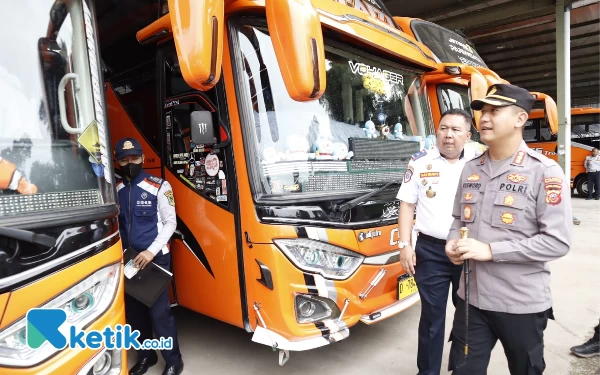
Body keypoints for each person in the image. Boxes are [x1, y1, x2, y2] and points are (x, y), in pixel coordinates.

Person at [445, 84, 573, 375]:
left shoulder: (544, 171)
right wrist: (453, 241)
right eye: (482, 111)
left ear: (519, 119)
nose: (484, 118)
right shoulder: (471, 168)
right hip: (471, 299)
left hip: (520, 303)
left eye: (494, 111)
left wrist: (491, 251)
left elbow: (557, 242)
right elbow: (457, 220)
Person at [396, 108, 481, 375]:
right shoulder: (420, 162)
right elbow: (407, 205)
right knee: (432, 318)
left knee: (468, 316)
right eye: (443, 128)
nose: (448, 135)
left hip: (467, 250)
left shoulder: (480, 161)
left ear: (467, 135)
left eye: (456, 130)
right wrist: (405, 245)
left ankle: (461, 369)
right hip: (430, 251)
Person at [115, 137, 184, 375]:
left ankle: (174, 361)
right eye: (124, 159)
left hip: (155, 260)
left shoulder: (159, 186)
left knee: (159, 314)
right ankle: (147, 356)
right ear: (118, 161)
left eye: (134, 158)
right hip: (130, 261)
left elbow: (169, 223)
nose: (130, 163)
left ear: (143, 158)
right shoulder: (118, 190)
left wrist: (150, 251)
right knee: (135, 314)